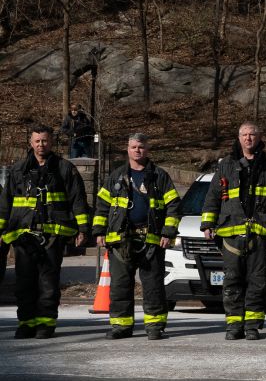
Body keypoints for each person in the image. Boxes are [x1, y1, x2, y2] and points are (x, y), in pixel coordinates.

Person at [201, 121, 266, 340]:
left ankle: (252, 326)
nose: (248, 138)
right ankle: (234, 326)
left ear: (259, 137)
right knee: (231, 281)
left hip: (259, 234)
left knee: (257, 282)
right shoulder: (226, 165)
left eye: (252, 134)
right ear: (238, 137)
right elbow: (213, 196)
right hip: (231, 234)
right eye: (244, 134)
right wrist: (207, 224)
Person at [0, 125, 89, 338]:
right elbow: (5, 202)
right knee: (24, 283)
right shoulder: (18, 170)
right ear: (30, 143)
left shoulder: (65, 169)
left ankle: (45, 324)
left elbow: (78, 200)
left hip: (53, 237)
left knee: (48, 283)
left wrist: (83, 229)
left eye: (45, 141)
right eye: (37, 141)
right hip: (23, 236)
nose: (42, 145)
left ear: (52, 142)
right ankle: (26, 324)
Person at [92, 133, 182, 340]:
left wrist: (168, 232)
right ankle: (121, 326)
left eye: (141, 147)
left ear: (147, 149)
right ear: (128, 149)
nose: (137, 150)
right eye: (133, 147)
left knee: (153, 286)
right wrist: (98, 232)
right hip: (121, 240)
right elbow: (102, 206)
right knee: (120, 285)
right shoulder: (116, 176)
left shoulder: (159, 176)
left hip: (151, 240)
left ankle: (155, 327)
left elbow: (174, 206)